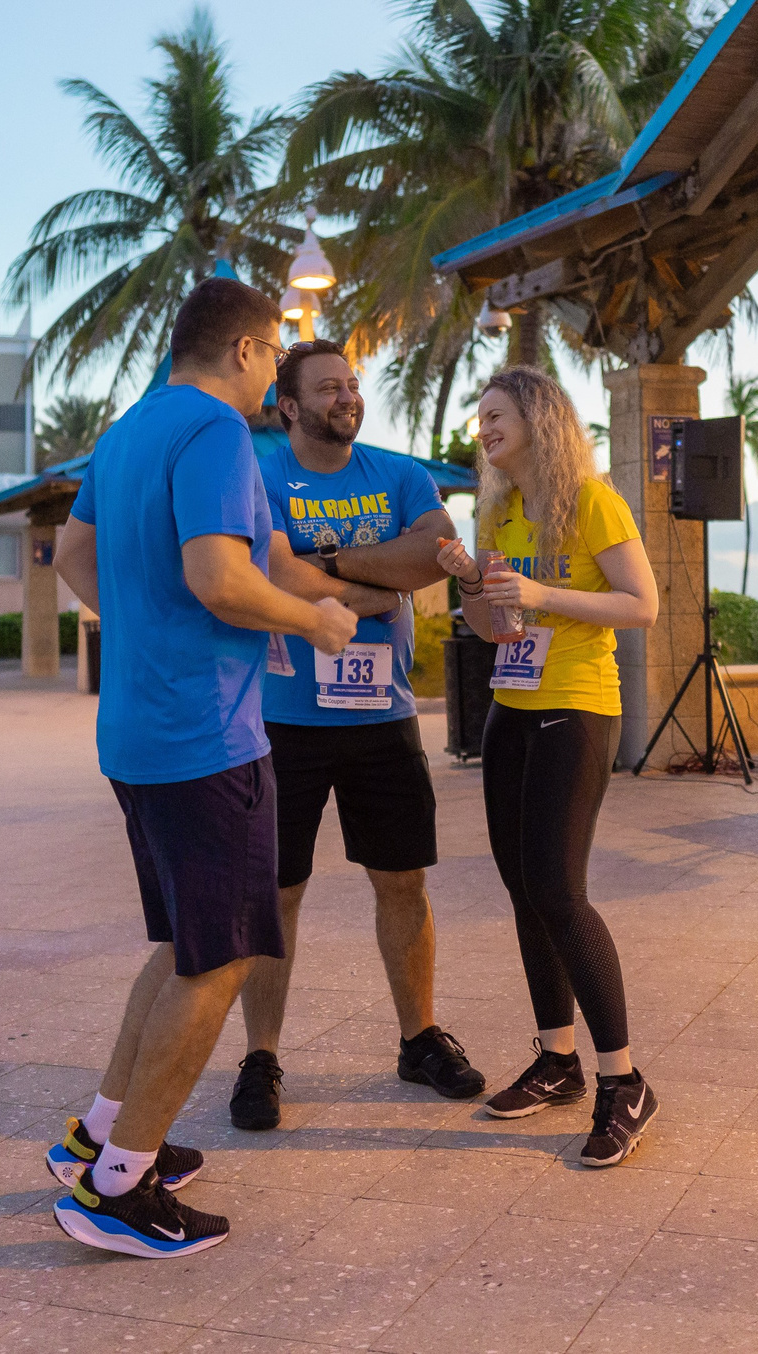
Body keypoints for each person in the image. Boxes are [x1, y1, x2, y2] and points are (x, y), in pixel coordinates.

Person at [48, 278, 357, 1259]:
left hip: (135, 729)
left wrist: (139, 630)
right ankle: (119, 1186)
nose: (272, 377)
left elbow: (72, 553)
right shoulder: (218, 430)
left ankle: (102, 1129)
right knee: (219, 958)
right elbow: (222, 578)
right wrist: (317, 621)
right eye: (271, 358)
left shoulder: (127, 429)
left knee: (185, 940)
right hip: (204, 737)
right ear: (245, 350)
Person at [229, 338, 483, 1130]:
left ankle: (419, 1039)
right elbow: (272, 572)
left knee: (402, 881)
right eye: (327, 387)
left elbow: (435, 559)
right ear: (289, 405)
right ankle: (262, 1057)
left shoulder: (403, 474)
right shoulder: (262, 471)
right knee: (277, 894)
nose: (346, 396)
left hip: (384, 719)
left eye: (352, 384)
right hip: (280, 721)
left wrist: (331, 563)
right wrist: (374, 582)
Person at [434, 366, 662, 1167]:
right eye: (479, 417)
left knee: (561, 892)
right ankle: (558, 1061)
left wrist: (541, 593)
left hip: (578, 706)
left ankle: (623, 1081)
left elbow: (642, 604)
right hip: (511, 709)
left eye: (494, 414)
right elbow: (494, 622)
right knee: (523, 888)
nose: (483, 429)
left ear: (538, 416)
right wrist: (474, 585)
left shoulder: (594, 501)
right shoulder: (501, 508)